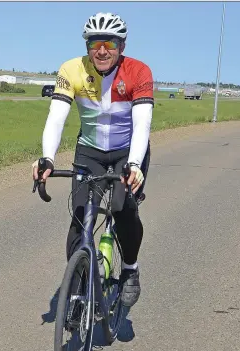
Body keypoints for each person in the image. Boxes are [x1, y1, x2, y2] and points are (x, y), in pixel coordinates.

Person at [32, 12, 154, 308]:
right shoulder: (72, 69)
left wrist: (134, 164)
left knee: (122, 208)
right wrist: (47, 157)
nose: (102, 49)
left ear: (121, 46)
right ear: (87, 45)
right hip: (89, 150)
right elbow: (56, 118)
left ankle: (130, 269)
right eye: (95, 42)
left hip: (127, 152)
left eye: (109, 43)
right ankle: (77, 288)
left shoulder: (138, 72)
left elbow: (142, 124)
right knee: (79, 216)